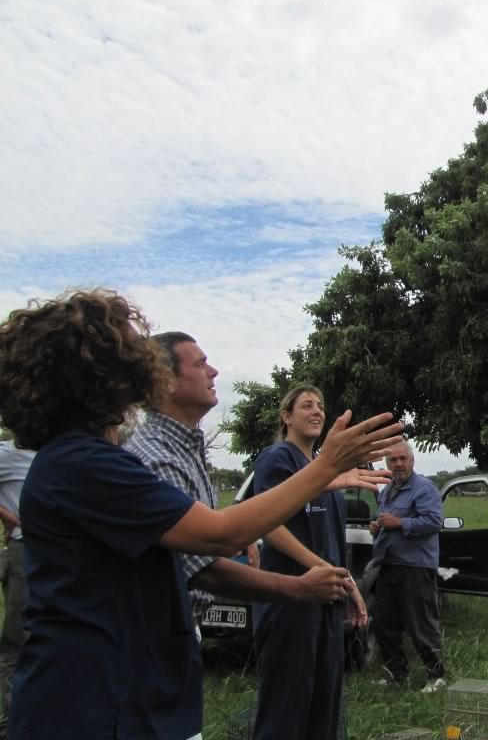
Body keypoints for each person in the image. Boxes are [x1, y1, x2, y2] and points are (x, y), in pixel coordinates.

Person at [0, 290, 402, 740]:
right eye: (128, 347)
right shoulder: (84, 466)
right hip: (92, 704)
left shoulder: (92, 460)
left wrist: (296, 588)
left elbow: (198, 567)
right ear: (97, 371)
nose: (142, 356)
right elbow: (218, 535)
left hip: (131, 693)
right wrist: (329, 464)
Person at [125, 332, 383, 630]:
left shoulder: (184, 449)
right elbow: (208, 556)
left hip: (183, 628)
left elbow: (205, 532)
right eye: (200, 364)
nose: (214, 371)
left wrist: (324, 475)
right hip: (160, 632)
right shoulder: (157, 457)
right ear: (165, 380)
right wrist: (301, 585)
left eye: (320, 405)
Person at [251, 385, 378, 740]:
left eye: (321, 405)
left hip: (325, 604)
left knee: (324, 711)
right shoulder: (277, 458)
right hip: (290, 602)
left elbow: (334, 546)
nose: (317, 411)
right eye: (306, 405)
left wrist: (347, 584)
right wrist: (319, 568)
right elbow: (268, 524)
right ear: (286, 416)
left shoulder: (324, 475)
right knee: (286, 713)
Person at [368, 440, 446, 692]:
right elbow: (386, 523)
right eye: (393, 460)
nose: (398, 464)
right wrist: (376, 528)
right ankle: (395, 674)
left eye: (403, 459)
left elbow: (434, 522)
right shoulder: (387, 491)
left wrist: (399, 523)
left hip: (416, 566)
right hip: (388, 565)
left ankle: (437, 676)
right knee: (384, 622)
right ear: (386, 463)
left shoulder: (424, 489)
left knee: (420, 623)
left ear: (412, 461)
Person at [0, 442, 33, 740]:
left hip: (61, 552)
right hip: (24, 551)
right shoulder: (6, 453)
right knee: (16, 641)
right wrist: (8, 516)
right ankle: (11, 724)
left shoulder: (56, 450)